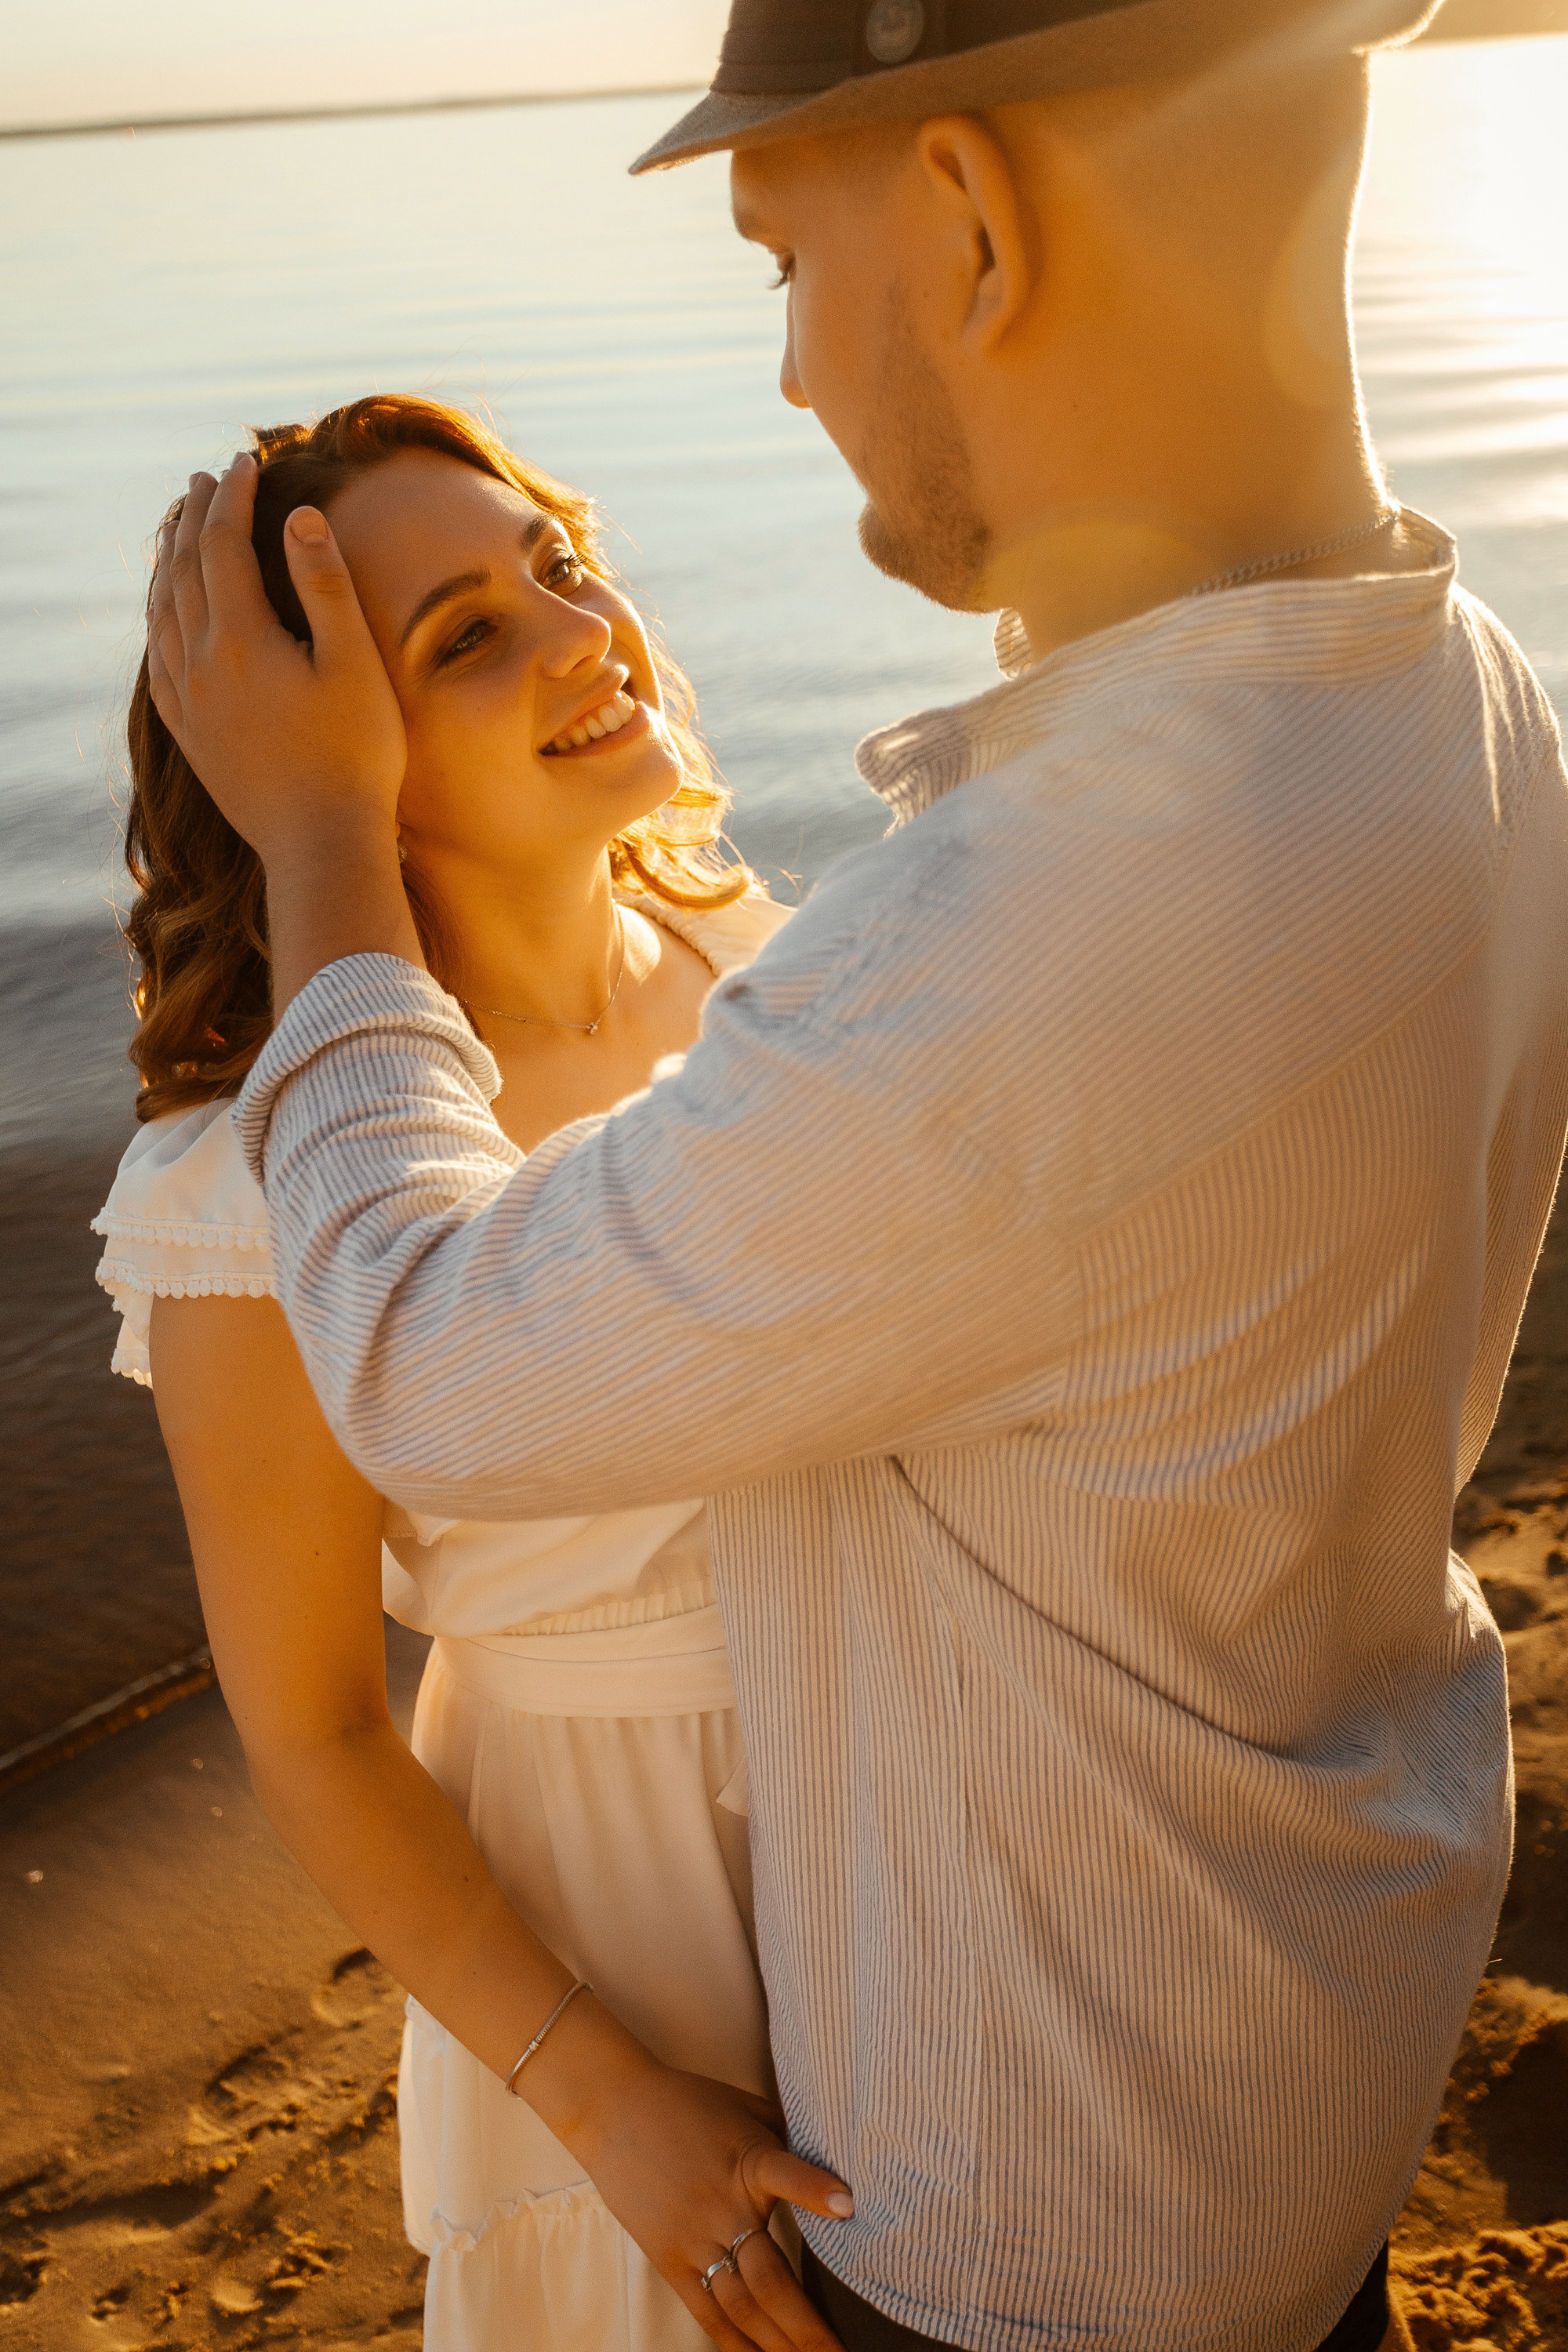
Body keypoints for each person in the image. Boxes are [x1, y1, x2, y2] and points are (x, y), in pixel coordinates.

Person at [141, 2, 1568, 2349]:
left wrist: (314, 827)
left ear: (974, 218)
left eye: (781, 260)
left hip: (1042, 2230)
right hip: (1287, 2067)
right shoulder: (1465, 693)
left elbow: (418, 1354)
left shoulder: (1022, 937)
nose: (793, 375)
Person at [93, 394, 855, 2352]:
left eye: (559, 568)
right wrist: (609, 2100)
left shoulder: (754, 953)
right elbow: (317, 1736)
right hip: (619, 1910)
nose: (582, 633)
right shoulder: (246, 1207)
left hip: (914, 1793)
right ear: (318, 759)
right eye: (468, 639)